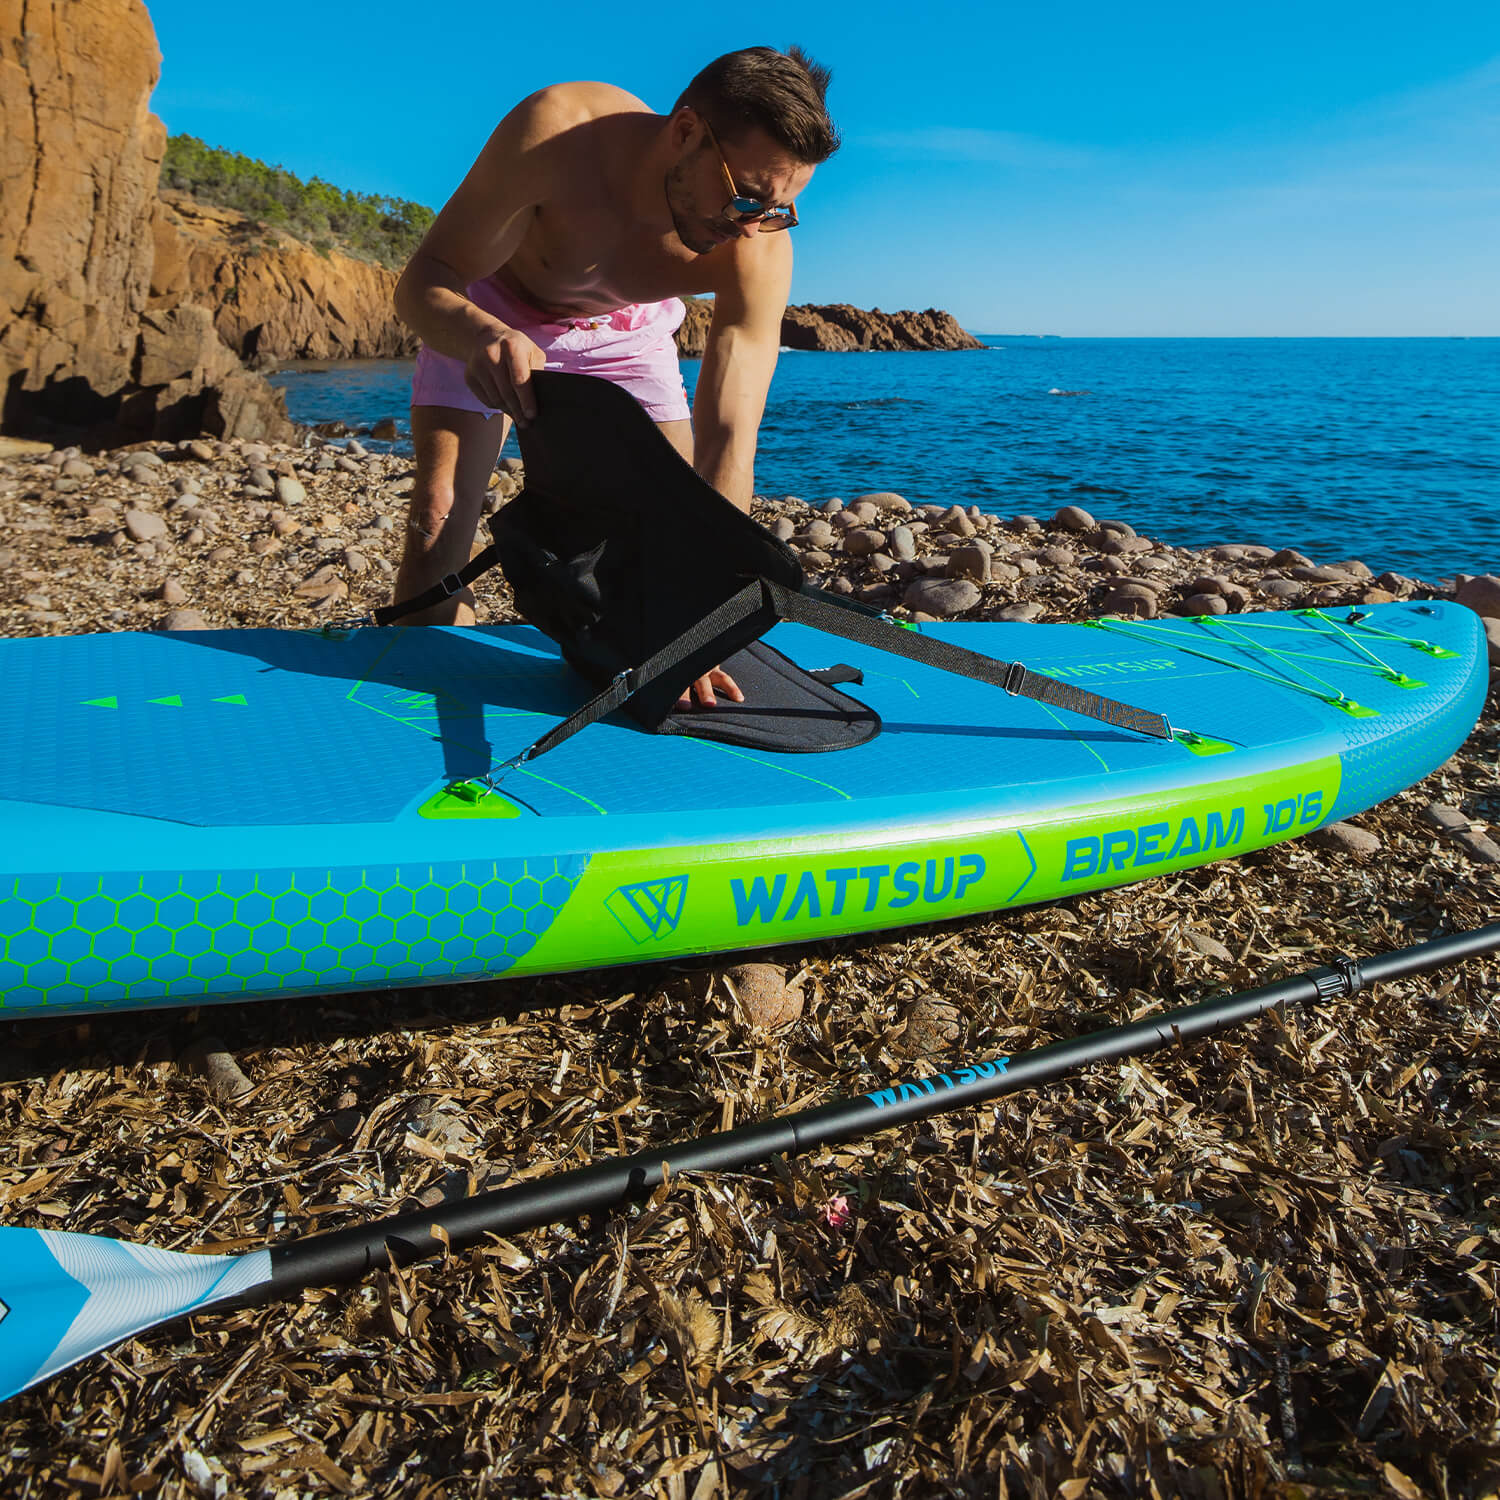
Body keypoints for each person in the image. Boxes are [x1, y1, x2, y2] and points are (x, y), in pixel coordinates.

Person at [391, 46, 838, 706]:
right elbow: (423, 282)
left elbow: (728, 444)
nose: (754, 223)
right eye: (747, 195)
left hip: (624, 333)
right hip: (493, 308)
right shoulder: (560, 131)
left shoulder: (756, 244)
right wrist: (480, 336)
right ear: (685, 131)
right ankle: (409, 708)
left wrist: (697, 632)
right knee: (435, 534)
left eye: (779, 208)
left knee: (664, 537)